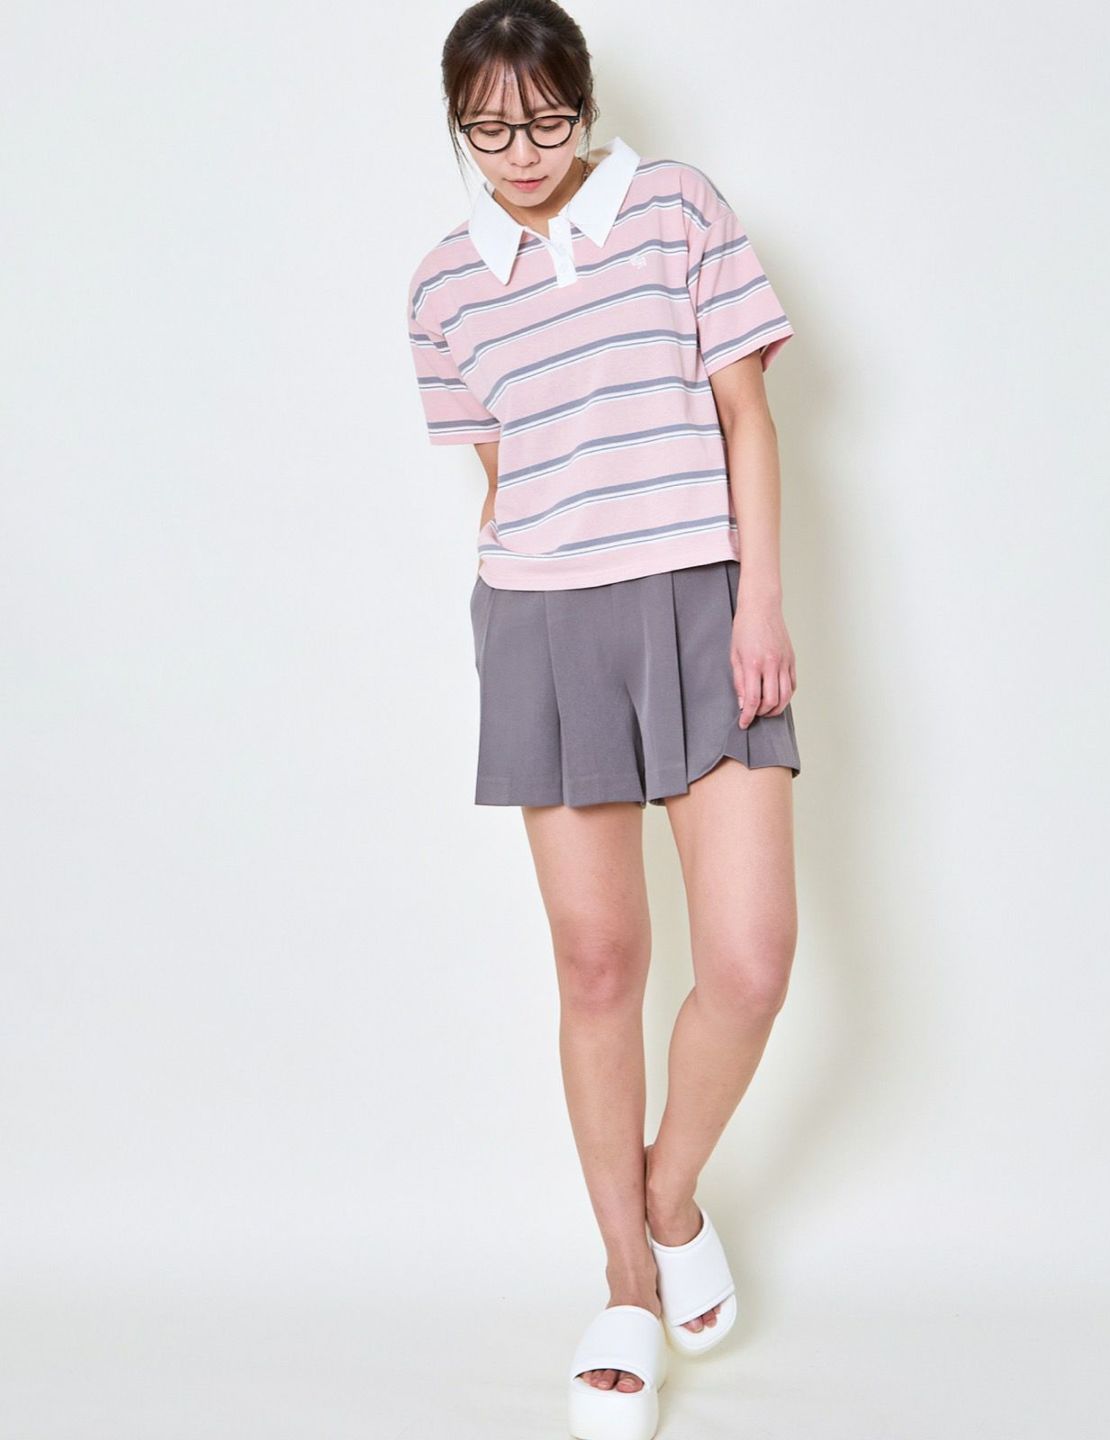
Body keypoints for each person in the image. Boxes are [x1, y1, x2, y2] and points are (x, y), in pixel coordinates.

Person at [407, 4, 800, 1435]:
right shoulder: (443, 285)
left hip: (701, 600)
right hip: (543, 622)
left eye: (546, 120)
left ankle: (668, 1194)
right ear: (458, 127)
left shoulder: (677, 206)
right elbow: (503, 475)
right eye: (488, 130)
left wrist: (759, 603)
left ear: (584, 101)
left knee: (749, 961)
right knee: (597, 964)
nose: (521, 154)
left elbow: (747, 417)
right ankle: (627, 1279)